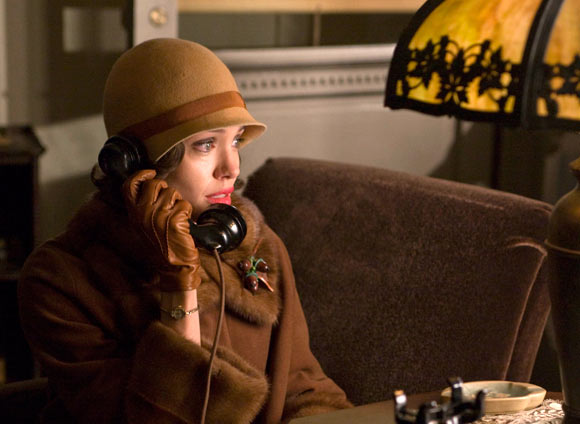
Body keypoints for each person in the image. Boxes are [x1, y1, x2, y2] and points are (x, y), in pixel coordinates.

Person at [18, 38, 352, 423]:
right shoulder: (59, 280)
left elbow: (304, 387)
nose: (232, 167)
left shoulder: (257, 243)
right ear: (134, 162)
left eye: (236, 141)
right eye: (206, 144)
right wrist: (179, 282)